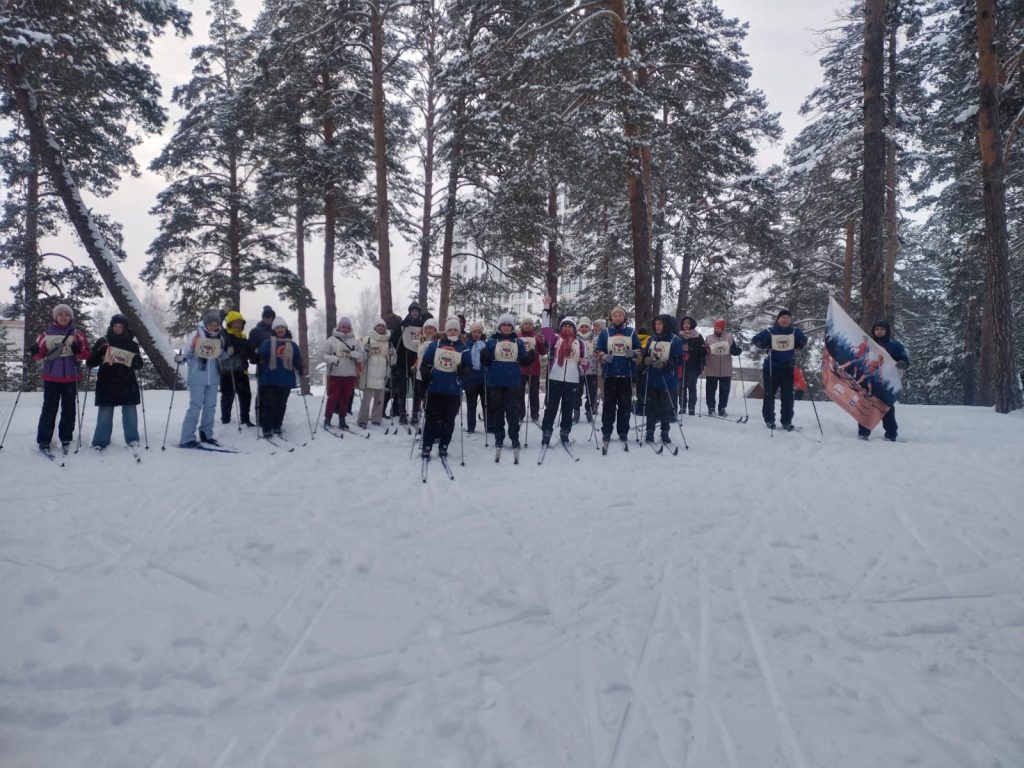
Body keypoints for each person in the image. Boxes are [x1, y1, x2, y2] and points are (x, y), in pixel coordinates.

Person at [32, 303, 90, 451]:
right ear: (56, 317)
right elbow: (38, 355)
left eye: (67, 314)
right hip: (52, 377)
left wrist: (78, 351)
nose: (64, 316)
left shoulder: (77, 334)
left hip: (71, 377)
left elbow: (87, 354)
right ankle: (44, 440)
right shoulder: (46, 334)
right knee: (49, 409)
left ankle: (66, 438)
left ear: (71, 317)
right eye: (61, 314)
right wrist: (34, 352)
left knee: (69, 409)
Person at [87, 314, 144, 449]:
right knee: (105, 412)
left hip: (127, 382)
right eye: (115, 326)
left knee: (130, 411)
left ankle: (132, 439)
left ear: (125, 328)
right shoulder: (103, 341)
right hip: (107, 382)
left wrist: (135, 360)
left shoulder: (132, 344)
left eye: (121, 326)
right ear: (111, 327)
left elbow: (139, 364)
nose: (118, 328)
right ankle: (100, 440)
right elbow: (90, 362)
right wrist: (98, 353)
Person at [419, 318, 471, 458]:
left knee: (449, 420)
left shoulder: (464, 347)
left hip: (453, 389)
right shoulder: (435, 345)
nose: (452, 332)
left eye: (455, 330)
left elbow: (468, 366)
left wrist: (464, 371)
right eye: (450, 329)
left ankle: (443, 445)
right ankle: (427, 445)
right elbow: (425, 363)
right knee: (431, 418)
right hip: (435, 387)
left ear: (459, 332)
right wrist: (425, 373)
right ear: (445, 331)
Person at [482, 313, 532, 455]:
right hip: (495, 380)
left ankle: (514, 437)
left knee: (512, 411)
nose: (506, 327)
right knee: (497, 411)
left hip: (512, 381)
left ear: (512, 327)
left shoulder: (518, 342)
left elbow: (523, 359)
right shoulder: (491, 341)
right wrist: (484, 358)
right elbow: (486, 361)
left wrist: (529, 359)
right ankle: (499, 437)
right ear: (499, 326)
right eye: (503, 325)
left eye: (508, 325)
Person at [751, 309, 808, 431]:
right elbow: (755, 340)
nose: (785, 320)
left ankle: (787, 421)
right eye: (783, 317)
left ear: (790, 320)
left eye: (788, 317)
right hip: (772, 367)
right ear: (778, 319)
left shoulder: (794, 331)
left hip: (787, 368)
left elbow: (804, 340)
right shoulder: (770, 331)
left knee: (788, 396)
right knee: (769, 394)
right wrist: (765, 345)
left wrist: (799, 343)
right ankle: (769, 419)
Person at [179, 309, 228, 447]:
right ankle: (187, 437)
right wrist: (181, 358)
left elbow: (221, 354)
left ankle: (207, 434)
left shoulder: (220, 337)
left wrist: (228, 356)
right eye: (211, 324)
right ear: (206, 324)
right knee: (195, 406)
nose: (213, 326)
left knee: (210, 407)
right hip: (197, 376)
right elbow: (187, 353)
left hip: (213, 377)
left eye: (216, 324)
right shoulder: (196, 335)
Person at [538, 311, 586, 446]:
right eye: (564, 326)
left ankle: (565, 432)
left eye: (570, 326)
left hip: (572, 380)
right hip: (555, 378)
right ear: (560, 328)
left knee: (567, 408)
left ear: (574, 329)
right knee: (551, 407)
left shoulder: (579, 343)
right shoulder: (555, 339)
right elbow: (545, 328)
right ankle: (546, 431)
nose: (567, 328)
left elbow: (585, 363)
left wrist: (583, 364)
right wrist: (547, 309)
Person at [596, 306, 640, 449]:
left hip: (626, 374)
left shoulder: (631, 332)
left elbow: (639, 350)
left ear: (624, 318)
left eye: (620, 315)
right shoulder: (605, 332)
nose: (617, 317)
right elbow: (598, 349)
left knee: (625, 405)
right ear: (611, 318)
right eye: (615, 315)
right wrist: (603, 356)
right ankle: (607, 431)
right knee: (609, 405)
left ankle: (623, 432)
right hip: (610, 374)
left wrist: (633, 353)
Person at [858, 320, 910, 441]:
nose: (879, 332)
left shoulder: (895, 345)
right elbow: (860, 357)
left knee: (887, 407)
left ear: (886, 331)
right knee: (866, 405)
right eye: (877, 329)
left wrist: (903, 363)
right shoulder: (869, 345)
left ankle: (891, 434)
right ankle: (863, 432)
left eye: (882, 329)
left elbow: (904, 358)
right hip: (869, 379)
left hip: (886, 382)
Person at [640, 313, 683, 444]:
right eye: (656, 324)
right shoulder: (651, 339)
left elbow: (678, 360)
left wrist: (665, 363)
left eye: (660, 324)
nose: (657, 327)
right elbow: (645, 355)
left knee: (666, 408)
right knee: (651, 407)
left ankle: (665, 432)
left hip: (667, 379)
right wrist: (644, 360)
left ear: (667, 325)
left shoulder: (675, 340)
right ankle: (649, 431)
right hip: (653, 378)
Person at [258, 317, 304, 438]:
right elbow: (261, 355)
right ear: (274, 330)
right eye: (277, 328)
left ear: (286, 329)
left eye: (282, 327)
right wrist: (260, 355)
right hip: (270, 379)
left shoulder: (292, 345)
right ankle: (267, 427)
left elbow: (297, 359)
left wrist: (300, 367)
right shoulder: (268, 342)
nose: (280, 330)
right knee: (269, 404)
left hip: (286, 379)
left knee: (281, 404)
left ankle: (277, 425)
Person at [389, 302, 431, 425]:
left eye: (416, 311)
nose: (414, 313)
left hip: (418, 360)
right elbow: (393, 339)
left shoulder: (423, 325)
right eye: (412, 311)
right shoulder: (403, 325)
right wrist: (401, 342)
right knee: (402, 388)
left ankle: (415, 414)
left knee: (417, 388)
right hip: (403, 360)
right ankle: (402, 413)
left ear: (419, 312)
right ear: (409, 312)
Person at [323, 317, 366, 430]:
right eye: (343, 327)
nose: (345, 329)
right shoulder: (331, 340)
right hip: (335, 374)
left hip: (350, 375)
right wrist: (330, 358)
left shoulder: (355, 341)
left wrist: (356, 355)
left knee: (345, 398)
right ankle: (327, 418)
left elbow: (363, 356)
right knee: (333, 397)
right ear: (339, 327)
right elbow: (323, 354)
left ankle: (342, 419)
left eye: (347, 327)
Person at [357, 318, 396, 428]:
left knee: (379, 399)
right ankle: (362, 419)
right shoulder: (367, 339)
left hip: (382, 374)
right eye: (378, 325)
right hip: (369, 373)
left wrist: (392, 354)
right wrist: (366, 351)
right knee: (366, 399)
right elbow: (361, 357)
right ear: (374, 327)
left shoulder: (388, 343)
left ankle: (376, 419)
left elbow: (393, 361)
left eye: (382, 326)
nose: (380, 327)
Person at [703, 319, 742, 417]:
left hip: (725, 368)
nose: (716, 329)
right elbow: (703, 352)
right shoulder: (708, 338)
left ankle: (722, 408)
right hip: (712, 367)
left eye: (718, 328)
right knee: (710, 390)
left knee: (724, 391)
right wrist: (704, 350)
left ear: (723, 328)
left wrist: (737, 350)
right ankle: (711, 408)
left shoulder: (729, 338)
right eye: (715, 327)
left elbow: (734, 351)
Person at [220, 310, 252, 426]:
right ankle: (225, 419)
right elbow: (220, 351)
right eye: (235, 323)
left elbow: (248, 352)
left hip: (242, 370)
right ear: (230, 323)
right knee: (228, 395)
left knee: (246, 396)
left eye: (240, 323)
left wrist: (255, 356)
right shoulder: (224, 335)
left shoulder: (243, 337)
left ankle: (245, 419)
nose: (238, 325)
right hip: (228, 371)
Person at [517, 315, 547, 423]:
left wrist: (544, 343)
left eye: (530, 324)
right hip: (520, 369)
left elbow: (543, 352)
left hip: (534, 369)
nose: (528, 326)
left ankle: (535, 414)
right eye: (525, 324)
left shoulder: (536, 337)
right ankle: (520, 413)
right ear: (522, 326)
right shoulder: (517, 337)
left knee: (534, 393)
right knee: (519, 392)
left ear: (532, 326)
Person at [413, 317, 439, 427]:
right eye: (426, 328)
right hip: (420, 372)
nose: (428, 330)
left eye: (431, 328)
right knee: (418, 394)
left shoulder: (437, 342)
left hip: (430, 372)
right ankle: (415, 414)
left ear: (435, 330)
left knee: (429, 395)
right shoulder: (421, 341)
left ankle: (429, 415)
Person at [462, 321, 487, 433]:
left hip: (484, 378)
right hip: (470, 379)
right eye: (474, 332)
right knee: (471, 404)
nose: (477, 334)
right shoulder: (466, 345)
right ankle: (471, 427)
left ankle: (489, 426)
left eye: (479, 332)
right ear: (471, 333)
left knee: (486, 404)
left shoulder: (485, 344)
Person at [678, 316, 704, 416]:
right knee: (681, 387)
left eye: (688, 323)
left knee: (692, 387)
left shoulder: (698, 336)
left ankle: (692, 407)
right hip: (681, 365)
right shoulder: (678, 336)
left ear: (692, 324)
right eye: (684, 323)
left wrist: (690, 349)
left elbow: (702, 351)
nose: (686, 325)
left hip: (693, 365)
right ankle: (682, 407)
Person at [577, 317, 598, 423]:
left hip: (592, 371)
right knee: (577, 393)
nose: (584, 329)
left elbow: (599, 352)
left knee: (592, 393)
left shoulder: (595, 339)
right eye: (582, 327)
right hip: (578, 372)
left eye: (586, 327)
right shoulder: (575, 339)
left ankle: (589, 410)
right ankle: (576, 411)